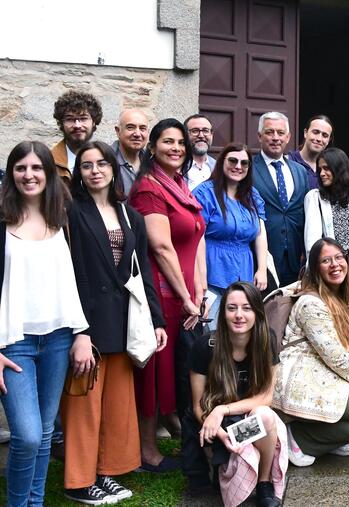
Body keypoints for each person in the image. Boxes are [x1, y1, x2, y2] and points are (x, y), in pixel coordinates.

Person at [62, 141, 167, 504]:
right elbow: (71, 271)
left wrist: (156, 318)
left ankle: (107, 471)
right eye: (87, 165)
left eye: (101, 163)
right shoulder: (71, 212)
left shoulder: (130, 215)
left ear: (112, 169)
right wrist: (79, 328)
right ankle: (79, 481)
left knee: (116, 405)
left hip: (124, 322)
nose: (95, 170)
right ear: (80, 173)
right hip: (87, 322)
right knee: (84, 407)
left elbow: (143, 273)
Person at [0, 141, 88, 506]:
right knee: (29, 436)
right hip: (13, 342)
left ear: (49, 174)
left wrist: (82, 334)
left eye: (37, 168)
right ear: (11, 174)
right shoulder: (2, 220)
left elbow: (76, 278)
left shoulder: (64, 219)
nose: (29, 175)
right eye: (21, 168)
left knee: (47, 431)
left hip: (57, 339)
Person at [129, 118, 207, 472]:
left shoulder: (178, 183)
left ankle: (170, 431)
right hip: (162, 294)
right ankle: (147, 451)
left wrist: (200, 287)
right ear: (153, 147)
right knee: (154, 372)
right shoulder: (149, 188)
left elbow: (196, 234)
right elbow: (160, 247)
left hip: (185, 293)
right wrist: (187, 297)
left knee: (175, 368)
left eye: (180, 143)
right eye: (167, 142)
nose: (176, 148)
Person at [275, 238, 349, 466]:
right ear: (316, 269)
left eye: (339, 258)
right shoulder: (310, 303)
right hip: (304, 376)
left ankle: (330, 439)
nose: (335, 264)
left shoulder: (343, 297)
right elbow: (334, 356)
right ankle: (299, 439)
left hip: (325, 372)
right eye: (325, 261)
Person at [185, 282, 286, 507]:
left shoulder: (266, 340)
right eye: (231, 308)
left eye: (246, 308)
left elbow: (266, 397)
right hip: (213, 428)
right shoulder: (206, 346)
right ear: (223, 313)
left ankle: (265, 482)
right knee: (234, 490)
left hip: (244, 419)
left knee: (266, 415)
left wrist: (223, 410)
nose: (239, 315)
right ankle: (220, 465)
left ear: (257, 312)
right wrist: (220, 433)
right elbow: (197, 407)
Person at [192, 144, 268, 329]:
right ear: (221, 162)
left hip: (244, 269)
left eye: (244, 163)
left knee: (239, 330)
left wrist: (262, 268)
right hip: (212, 271)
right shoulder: (205, 193)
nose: (238, 166)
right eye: (232, 160)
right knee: (212, 332)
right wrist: (201, 281)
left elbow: (259, 232)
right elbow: (197, 236)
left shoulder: (252, 195)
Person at [251, 112, 310, 287]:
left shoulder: (300, 171)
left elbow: (304, 212)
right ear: (260, 136)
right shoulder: (248, 170)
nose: (275, 138)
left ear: (288, 137)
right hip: (261, 259)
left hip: (294, 258)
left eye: (280, 133)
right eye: (269, 132)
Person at [304, 148, 349, 278]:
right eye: (320, 169)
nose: (321, 173)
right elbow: (312, 241)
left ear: (339, 169)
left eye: (326, 168)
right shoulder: (315, 197)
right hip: (330, 266)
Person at [51, 90, 103, 183]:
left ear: (94, 122)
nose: (77, 125)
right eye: (70, 119)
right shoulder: (49, 161)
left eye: (83, 118)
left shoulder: (105, 158)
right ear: (61, 123)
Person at [287, 114, 334, 190]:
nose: (319, 138)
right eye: (315, 132)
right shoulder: (288, 161)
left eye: (325, 135)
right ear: (305, 133)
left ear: (329, 140)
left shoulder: (331, 168)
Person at [112, 109, 150, 195]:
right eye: (130, 127)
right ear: (118, 131)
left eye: (142, 128)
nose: (137, 134)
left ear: (148, 132)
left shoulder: (153, 163)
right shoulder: (106, 162)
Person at [184, 114, 217, 190]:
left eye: (206, 131)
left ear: (211, 134)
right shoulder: (177, 167)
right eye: (195, 131)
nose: (201, 135)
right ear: (185, 135)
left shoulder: (218, 167)